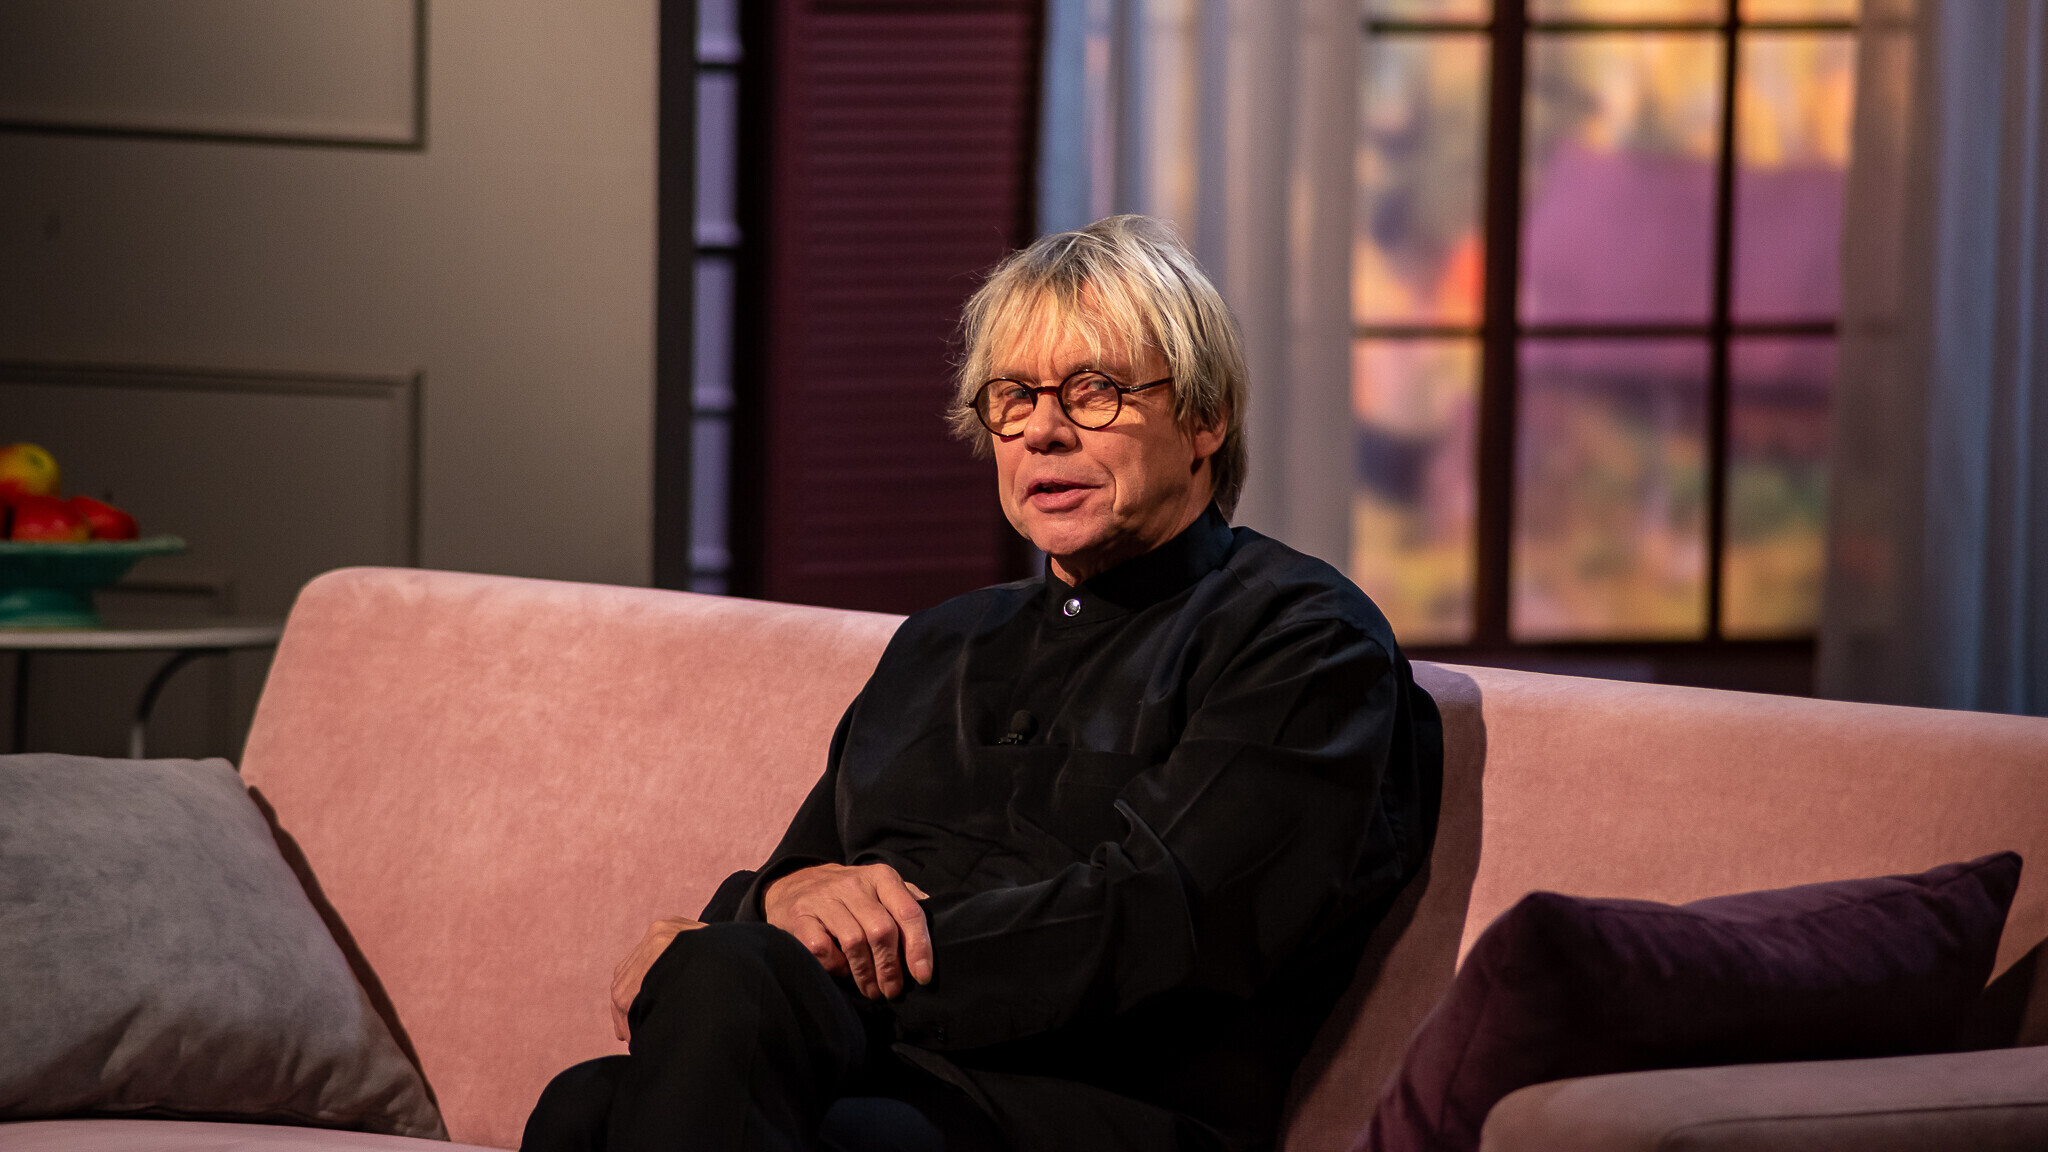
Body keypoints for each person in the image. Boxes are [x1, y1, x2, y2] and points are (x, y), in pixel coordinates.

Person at [522, 215, 1443, 1152]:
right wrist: (764, 909)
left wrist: (810, 956)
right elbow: (804, 879)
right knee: (586, 1106)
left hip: (1107, 1105)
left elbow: (1164, 923)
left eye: (1094, 392)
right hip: (894, 1072)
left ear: (1205, 420)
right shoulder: (939, 644)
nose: (1042, 430)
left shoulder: (1304, 638)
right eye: (1013, 397)